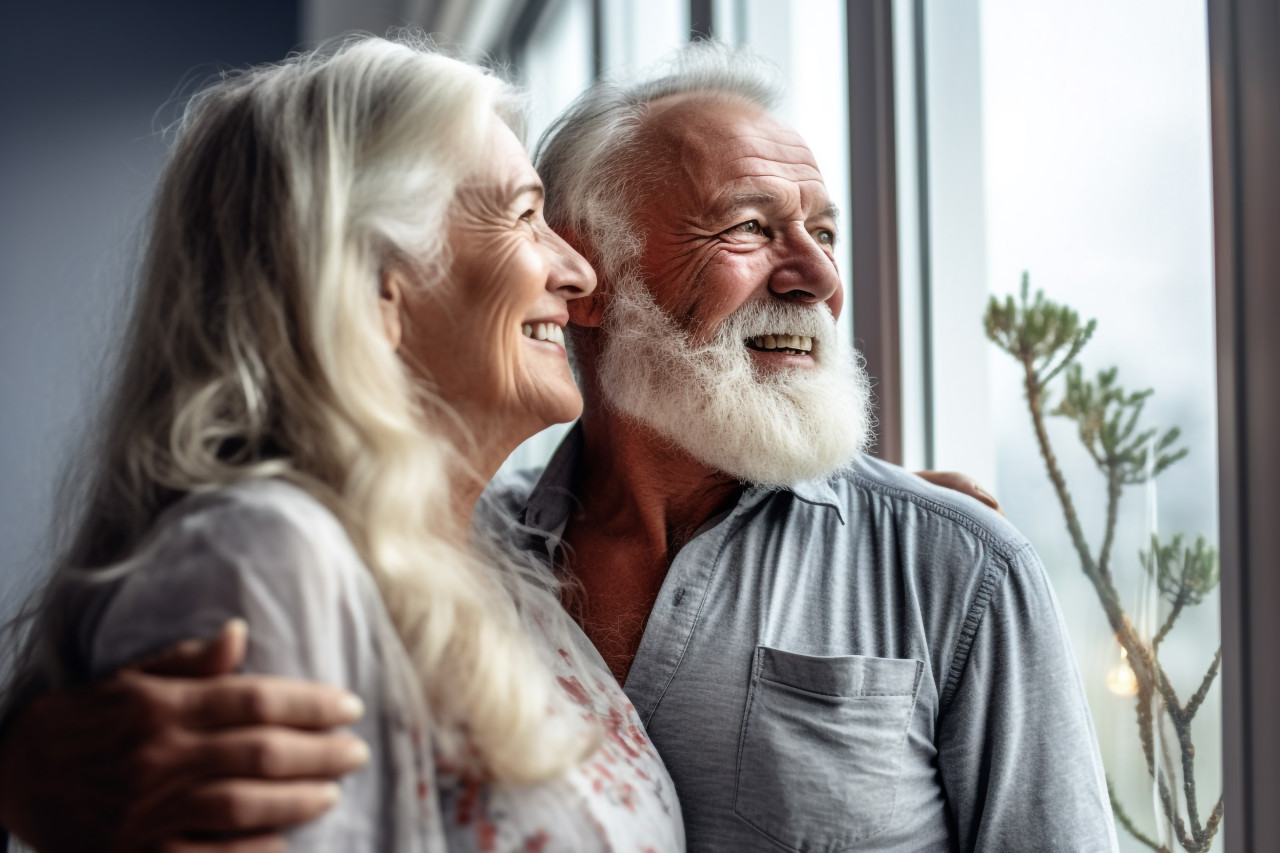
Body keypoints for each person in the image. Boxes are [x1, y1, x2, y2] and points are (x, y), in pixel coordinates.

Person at [0, 42, 1113, 852]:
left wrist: (927, 543)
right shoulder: (445, 548)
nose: (819, 276)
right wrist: (28, 770)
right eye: (746, 227)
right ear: (593, 279)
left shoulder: (952, 567)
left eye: (822, 231)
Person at [0, 35, 684, 852]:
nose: (578, 273)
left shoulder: (503, 570)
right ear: (371, 280)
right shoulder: (268, 560)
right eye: (523, 214)